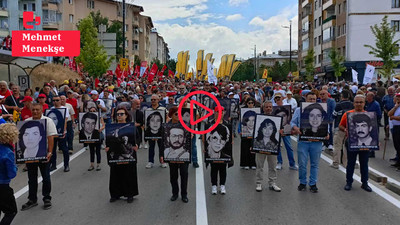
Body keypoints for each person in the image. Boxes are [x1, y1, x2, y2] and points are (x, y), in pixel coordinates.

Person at [21, 103, 57, 211]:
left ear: (42, 110)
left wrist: (50, 152)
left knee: (45, 177)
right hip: (30, 156)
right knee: (31, 178)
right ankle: (32, 199)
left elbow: (51, 137)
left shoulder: (48, 121)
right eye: (33, 110)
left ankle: (47, 198)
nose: (35, 112)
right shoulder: (27, 122)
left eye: (37, 110)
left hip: (43, 154)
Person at [291, 92, 329, 193]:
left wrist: (327, 133)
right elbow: (293, 122)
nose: (312, 101)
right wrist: (295, 128)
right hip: (303, 141)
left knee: (314, 164)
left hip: (316, 142)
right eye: (310, 99)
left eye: (314, 99)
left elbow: (326, 125)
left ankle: (313, 183)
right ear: (306, 99)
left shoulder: (322, 110)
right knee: (302, 163)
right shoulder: (299, 110)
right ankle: (302, 182)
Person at [339, 95, 372, 192]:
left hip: (365, 144)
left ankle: (364, 183)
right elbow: (341, 125)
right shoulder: (348, 114)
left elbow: (372, 130)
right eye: (357, 102)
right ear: (353, 103)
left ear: (364, 103)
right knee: (351, 163)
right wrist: (345, 129)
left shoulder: (369, 115)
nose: (359, 104)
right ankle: (349, 182)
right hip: (351, 141)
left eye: (361, 102)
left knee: (364, 163)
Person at [106, 108, 139, 203]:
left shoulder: (132, 127)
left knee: (129, 174)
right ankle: (115, 194)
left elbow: (137, 138)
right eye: (118, 114)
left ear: (126, 115)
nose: (119, 116)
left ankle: (130, 194)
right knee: (115, 174)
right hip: (116, 154)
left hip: (129, 155)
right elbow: (109, 140)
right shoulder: (112, 127)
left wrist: (137, 145)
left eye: (121, 114)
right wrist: (107, 147)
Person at [205, 106, 233, 195]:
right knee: (213, 168)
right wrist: (204, 148)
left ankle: (222, 185)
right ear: (214, 112)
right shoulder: (209, 124)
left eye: (221, 112)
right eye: (217, 112)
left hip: (224, 155)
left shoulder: (227, 125)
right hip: (212, 156)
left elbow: (231, 139)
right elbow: (204, 138)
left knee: (223, 169)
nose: (219, 114)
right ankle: (214, 185)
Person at [255, 100, 281, 192]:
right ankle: (259, 183)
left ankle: (272, 183)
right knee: (259, 166)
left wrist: (281, 132)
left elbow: (282, 131)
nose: (268, 108)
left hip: (273, 147)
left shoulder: (277, 118)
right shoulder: (259, 118)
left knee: (273, 166)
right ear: (263, 108)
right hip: (260, 147)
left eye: (270, 107)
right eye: (266, 107)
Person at [165, 107, 189, 203]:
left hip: (184, 155)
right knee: (173, 175)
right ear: (171, 115)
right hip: (171, 155)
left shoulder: (186, 124)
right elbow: (163, 141)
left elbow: (189, 138)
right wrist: (162, 156)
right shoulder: (167, 126)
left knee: (184, 174)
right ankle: (175, 193)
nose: (178, 116)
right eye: (176, 114)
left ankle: (184, 194)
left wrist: (190, 135)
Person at [0, 123, 19, 225]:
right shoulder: (8, 152)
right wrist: (15, 167)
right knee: (11, 211)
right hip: (2, 186)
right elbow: (11, 174)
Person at [274, 94, 297, 170]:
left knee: (289, 147)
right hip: (277, 130)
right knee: (277, 147)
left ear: (282, 98)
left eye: (279, 98)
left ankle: (292, 163)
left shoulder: (287, 106)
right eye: (276, 99)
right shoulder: (273, 107)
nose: (278, 100)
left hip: (286, 130)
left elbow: (291, 117)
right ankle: (279, 162)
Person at [331, 90, 353, 169]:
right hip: (350, 128)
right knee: (346, 146)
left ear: (342, 96)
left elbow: (334, 115)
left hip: (339, 127)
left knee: (337, 145)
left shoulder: (339, 105)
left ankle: (336, 162)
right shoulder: (352, 104)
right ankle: (346, 163)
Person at [145, 94, 167, 169]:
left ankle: (162, 161)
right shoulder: (148, 110)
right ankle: (150, 161)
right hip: (151, 132)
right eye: (152, 100)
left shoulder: (163, 109)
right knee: (151, 147)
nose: (153, 101)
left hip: (161, 131)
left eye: (154, 99)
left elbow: (167, 118)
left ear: (158, 100)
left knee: (161, 147)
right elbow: (145, 122)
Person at [240, 97, 257, 170]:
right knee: (245, 149)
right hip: (245, 133)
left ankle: (253, 163)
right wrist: (239, 131)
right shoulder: (243, 111)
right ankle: (245, 163)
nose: (250, 104)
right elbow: (240, 123)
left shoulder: (257, 111)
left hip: (254, 134)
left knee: (253, 150)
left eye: (252, 103)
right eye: (249, 103)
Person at [87, 106, 105, 171]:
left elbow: (103, 125)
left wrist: (101, 129)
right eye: (91, 111)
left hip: (97, 135)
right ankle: (91, 164)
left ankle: (98, 164)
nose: (92, 112)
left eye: (94, 111)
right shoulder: (87, 118)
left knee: (98, 151)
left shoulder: (100, 117)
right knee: (91, 151)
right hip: (90, 136)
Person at [388, 93, 400, 169]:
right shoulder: (396, 106)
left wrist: (393, 117)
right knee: (397, 145)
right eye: (397, 98)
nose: (397, 99)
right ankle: (398, 161)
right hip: (395, 127)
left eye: (398, 98)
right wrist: (395, 107)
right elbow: (389, 114)